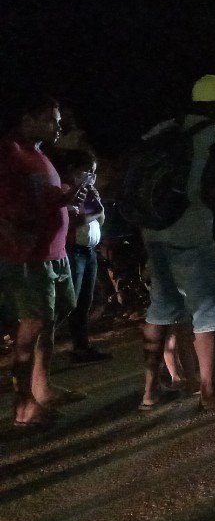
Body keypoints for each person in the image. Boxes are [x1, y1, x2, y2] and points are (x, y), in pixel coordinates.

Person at [139, 74, 215, 411]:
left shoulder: (163, 130)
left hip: (155, 229)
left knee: (161, 309)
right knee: (207, 312)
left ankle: (149, 392)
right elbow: (214, 186)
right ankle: (209, 390)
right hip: (196, 233)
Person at [0, 90, 89, 427]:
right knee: (31, 326)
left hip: (54, 252)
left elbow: (37, 200)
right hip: (28, 258)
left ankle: (41, 388)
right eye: (51, 120)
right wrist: (11, 234)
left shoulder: (39, 154)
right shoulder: (9, 153)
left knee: (49, 320)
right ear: (28, 120)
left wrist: (67, 201)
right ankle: (23, 405)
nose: (58, 126)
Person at [56, 149, 112, 363]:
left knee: (84, 302)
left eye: (94, 172)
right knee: (69, 302)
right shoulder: (66, 191)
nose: (91, 176)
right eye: (87, 170)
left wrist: (95, 207)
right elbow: (72, 221)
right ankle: (43, 345)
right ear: (73, 169)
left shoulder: (87, 191)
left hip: (89, 251)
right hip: (74, 251)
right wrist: (93, 213)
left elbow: (100, 218)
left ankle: (81, 347)